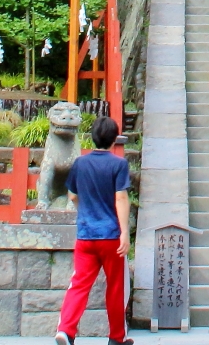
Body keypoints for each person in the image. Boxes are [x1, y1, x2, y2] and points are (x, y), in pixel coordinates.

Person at [58, 115, 132, 345]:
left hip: (86, 234)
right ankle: (116, 338)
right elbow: (120, 197)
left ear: (93, 138)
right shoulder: (118, 164)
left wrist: (86, 211)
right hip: (110, 236)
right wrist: (125, 232)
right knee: (115, 287)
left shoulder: (80, 163)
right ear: (114, 140)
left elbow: (72, 195)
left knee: (79, 284)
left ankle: (66, 330)